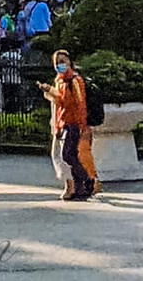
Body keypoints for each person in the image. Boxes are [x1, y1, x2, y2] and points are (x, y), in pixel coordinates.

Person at [43, 50, 96, 201]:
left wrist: (82, 125)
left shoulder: (74, 80)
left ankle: (86, 178)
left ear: (69, 62)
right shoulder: (60, 80)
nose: (61, 64)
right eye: (58, 62)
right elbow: (61, 102)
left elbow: (79, 104)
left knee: (68, 155)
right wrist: (50, 92)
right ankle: (80, 187)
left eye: (63, 61)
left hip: (73, 123)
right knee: (69, 155)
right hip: (64, 122)